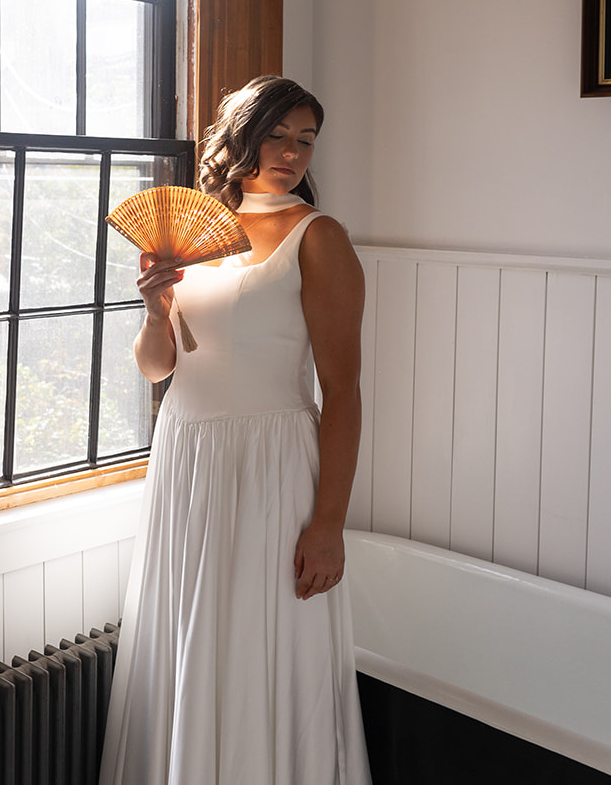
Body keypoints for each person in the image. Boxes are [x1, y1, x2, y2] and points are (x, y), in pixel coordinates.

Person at [99, 76, 373, 784]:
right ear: (244, 137)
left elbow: (343, 392)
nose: (292, 152)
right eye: (278, 135)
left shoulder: (319, 237)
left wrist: (329, 524)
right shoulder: (191, 229)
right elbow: (160, 368)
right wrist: (157, 312)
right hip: (188, 457)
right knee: (194, 639)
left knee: (263, 641)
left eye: (306, 139)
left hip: (272, 463)